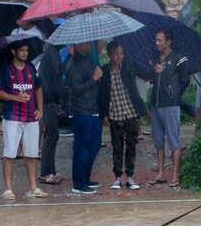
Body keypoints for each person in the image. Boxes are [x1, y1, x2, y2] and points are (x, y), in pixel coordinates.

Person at [0, 38, 47, 200]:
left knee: (31, 153)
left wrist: (40, 109)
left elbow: (38, 88)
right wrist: (15, 97)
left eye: (26, 51)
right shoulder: (5, 69)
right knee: (9, 153)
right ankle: (8, 189)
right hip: (12, 117)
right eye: (22, 50)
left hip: (31, 117)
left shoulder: (31, 68)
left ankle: (33, 187)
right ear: (13, 52)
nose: (25, 53)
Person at [142, 29, 191, 188]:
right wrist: (154, 71)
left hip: (171, 106)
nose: (157, 43)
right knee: (158, 141)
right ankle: (161, 173)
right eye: (156, 40)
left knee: (174, 141)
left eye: (160, 40)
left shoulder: (179, 58)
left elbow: (185, 81)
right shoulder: (155, 58)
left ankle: (175, 175)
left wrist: (173, 94)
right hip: (156, 105)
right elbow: (150, 78)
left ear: (168, 42)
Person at [99, 40, 146, 190]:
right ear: (110, 55)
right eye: (116, 54)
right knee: (117, 147)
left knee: (131, 145)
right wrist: (104, 114)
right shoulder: (104, 71)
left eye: (121, 54)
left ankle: (130, 177)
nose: (119, 57)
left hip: (131, 112)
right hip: (115, 113)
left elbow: (145, 72)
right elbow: (102, 94)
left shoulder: (128, 66)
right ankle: (118, 177)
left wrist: (154, 67)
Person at [65, 43, 103, 195]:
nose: (89, 45)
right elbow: (76, 88)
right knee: (82, 148)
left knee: (94, 145)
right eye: (86, 42)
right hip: (81, 111)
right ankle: (78, 183)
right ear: (78, 44)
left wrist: (98, 77)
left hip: (93, 109)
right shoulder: (73, 64)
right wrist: (94, 78)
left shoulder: (89, 60)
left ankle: (86, 178)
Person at [37, 37, 64, 185]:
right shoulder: (52, 50)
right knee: (51, 135)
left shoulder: (50, 49)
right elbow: (59, 69)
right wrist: (71, 55)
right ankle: (46, 173)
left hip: (49, 98)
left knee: (52, 135)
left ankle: (50, 171)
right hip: (48, 99)